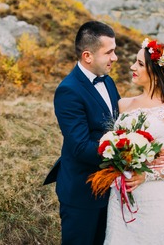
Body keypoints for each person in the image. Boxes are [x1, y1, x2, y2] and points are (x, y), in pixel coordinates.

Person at [104, 38, 164, 245]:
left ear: (155, 69)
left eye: (139, 63)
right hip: (120, 196)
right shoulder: (124, 104)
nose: (132, 67)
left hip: (158, 200)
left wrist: (146, 174)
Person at [43, 21, 120, 245]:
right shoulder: (68, 90)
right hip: (82, 192)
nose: (114, 58)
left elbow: (118, 123)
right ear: (87, 55)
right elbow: (79, 147)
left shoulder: (108, 81)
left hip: (111, 189)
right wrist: (125, 152)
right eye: (109, 52)